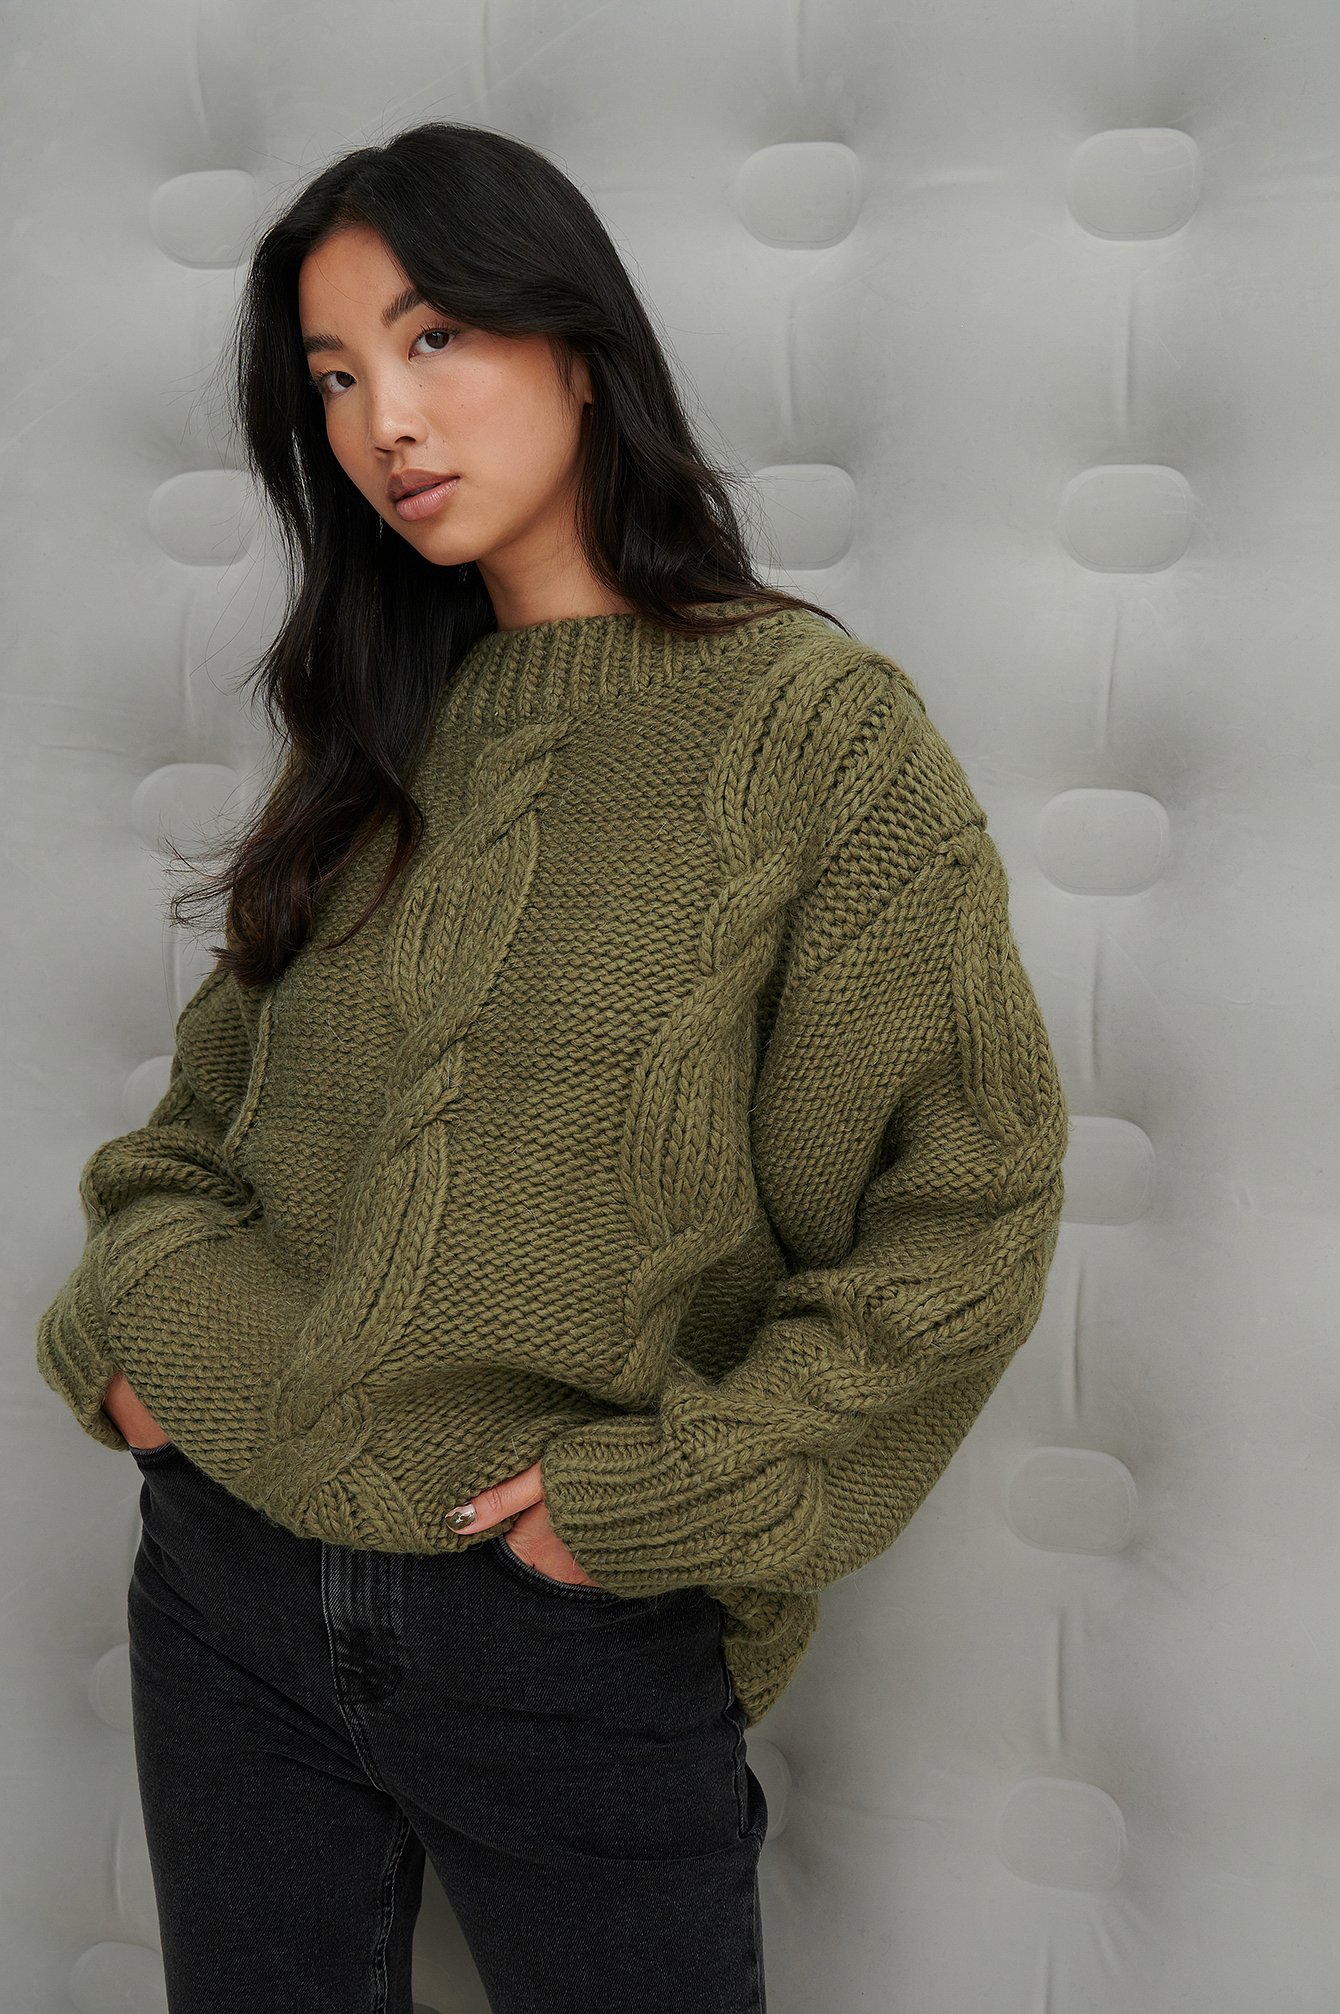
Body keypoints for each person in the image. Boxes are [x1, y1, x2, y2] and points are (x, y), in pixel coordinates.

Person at [34, 121, 1069, 2014]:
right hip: (224, 1589)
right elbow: (198, 1132)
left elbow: (969, 1204)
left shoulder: (811, 733)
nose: (383, 422)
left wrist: (660, 1498)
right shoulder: (374, 721)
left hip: (562, 1634)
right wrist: (134, 1339)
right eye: (333, 377)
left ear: (579, 345)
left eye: (432, 339)